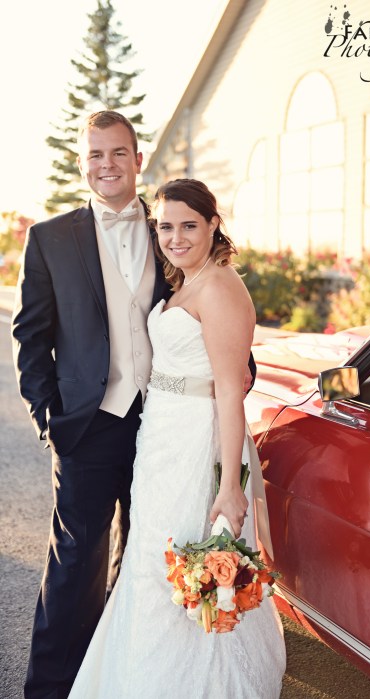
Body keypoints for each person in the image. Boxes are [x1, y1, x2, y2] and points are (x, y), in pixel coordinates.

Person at [12, 112, 254, 698]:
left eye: (119, 152)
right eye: (96, 154)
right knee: (75, 566)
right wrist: (49, 421)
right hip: (87, 427)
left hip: (164, 429)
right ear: (81, 163)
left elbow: (210, 307)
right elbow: (30, 338)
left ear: (138, 160)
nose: (108, 165)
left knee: (146, 559)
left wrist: (237, 369)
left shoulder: (168, 224)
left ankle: (124, 675)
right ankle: (50, 690)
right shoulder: (49, 238)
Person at [67, 179, 286, 698]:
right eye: (166, 227)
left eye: (189, 225)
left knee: (185, 559)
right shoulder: (186, 281)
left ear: (213, 225)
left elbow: (230, 392)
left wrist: (229, 487)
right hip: (160, 441)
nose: (176, 237)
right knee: (150, 559)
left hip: (195, 442)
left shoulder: (220, 287)